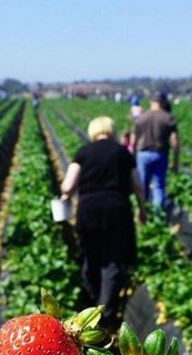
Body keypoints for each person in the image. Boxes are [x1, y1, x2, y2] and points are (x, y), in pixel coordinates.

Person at [60, 116, 147, 331]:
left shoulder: (83, 152)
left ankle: (91, 304)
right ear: (111, 130)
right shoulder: (122, 152)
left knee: (91, 257)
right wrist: (142, 209)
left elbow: (68, 185)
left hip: (89, 211)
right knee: (113, 261)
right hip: (118, 210)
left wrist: (65, 199)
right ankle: (105, 313)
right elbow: (137, 185)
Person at [132, 92, 179, 213]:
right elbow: (174, 142)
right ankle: (157, 216)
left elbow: (133, 140)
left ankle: (143, 213)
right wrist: (175, 161)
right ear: (163, 102)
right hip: (160, 154)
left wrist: (131, 158)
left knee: (142, 186)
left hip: (142, 154)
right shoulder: (168, 118)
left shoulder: (141, 117)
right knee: (158, 187)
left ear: (151, 102)